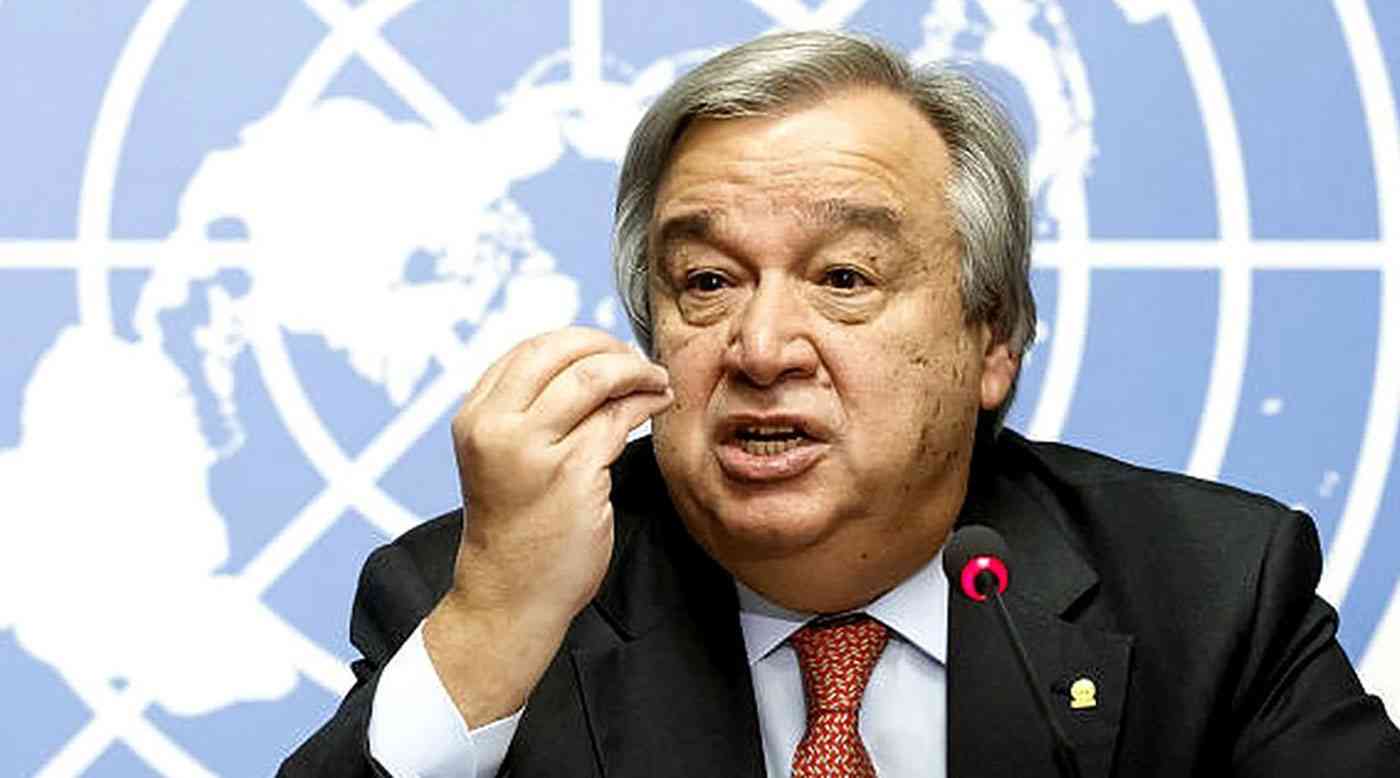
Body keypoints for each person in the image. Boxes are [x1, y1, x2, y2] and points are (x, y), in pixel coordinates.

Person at [280, 31, 1400, 777]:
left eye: (845, 278)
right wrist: (490, 626)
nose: (761, 347)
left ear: (992, 340)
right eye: (705, 282)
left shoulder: (1207, 594)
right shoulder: (479, 601)